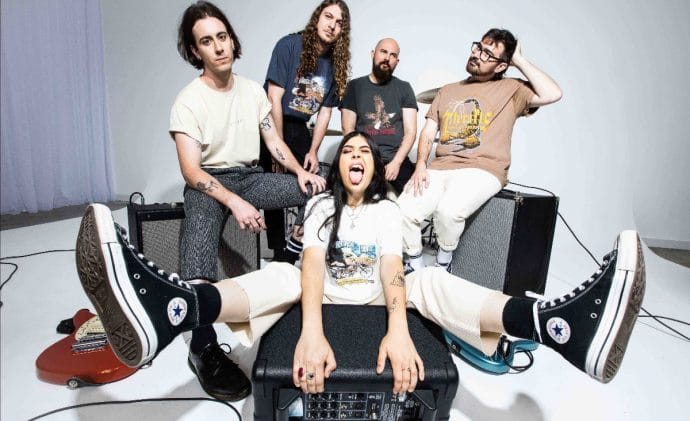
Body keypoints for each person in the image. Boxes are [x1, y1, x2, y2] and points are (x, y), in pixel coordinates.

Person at [76, 132, 645, 396]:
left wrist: (399, 331)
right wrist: (311, 332)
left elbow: (394, 272)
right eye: (346, 150)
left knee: (431, 282)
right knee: (283, 273)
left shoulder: (388, 211)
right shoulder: (321, 205)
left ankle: (554, 325)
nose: (354, 156)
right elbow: (312, 267)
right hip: (323, 294)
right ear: (337, 167)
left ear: (374, 170)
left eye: (363, 153)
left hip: (377, 296)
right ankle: (177, 309)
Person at [168, 1, 326, 401]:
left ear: (232, 40)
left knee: (321, 190)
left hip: (250, 176)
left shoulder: (253, 91)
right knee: (197, 252)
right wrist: (234, 202)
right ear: (195, 51)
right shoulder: (188, 101)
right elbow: (191, 172)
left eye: (222, 37)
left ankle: (295, 264)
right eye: (207, 41)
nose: (219, 46)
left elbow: (274, 143)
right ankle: (202, 347)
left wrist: (301, 173)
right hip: (208, 183)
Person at [397, 28, 563, 272]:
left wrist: (519, 60)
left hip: (483, 169)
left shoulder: (512, 88)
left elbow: (553, 94)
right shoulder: (447, 90)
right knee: (403, 210)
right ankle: (414, 263)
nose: (477, 54)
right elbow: (429, 132)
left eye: (488, 54)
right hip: (440, 167)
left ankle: (443, 262)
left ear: (501, 66)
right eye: (478, 47)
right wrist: (421, 164)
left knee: (448, 212)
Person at [261, 0, 351, 264]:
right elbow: (273, 98)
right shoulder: (289, 45)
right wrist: (277, 147)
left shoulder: (335, 64)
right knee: (274, 186)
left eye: (339, 23)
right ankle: (278, 252)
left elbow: (325, 112)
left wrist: (313, 149)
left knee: (317, 182)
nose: (332, 25)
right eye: (328, 17)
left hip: (301, 128)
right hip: (273, 123)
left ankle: (297, 242)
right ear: (317, 17)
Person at [340, 38, 418, 195]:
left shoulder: (404, 88)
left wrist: (396, 162)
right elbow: (347, 128)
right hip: (364, 158)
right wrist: (365, 160)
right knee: (350, 199)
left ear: (397, 61)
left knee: (414, 198)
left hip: (395, 158)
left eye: (393, 55)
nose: (387, 58)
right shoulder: (354, 86)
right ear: (373, 54)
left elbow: (410, 132)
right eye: (383, 52)